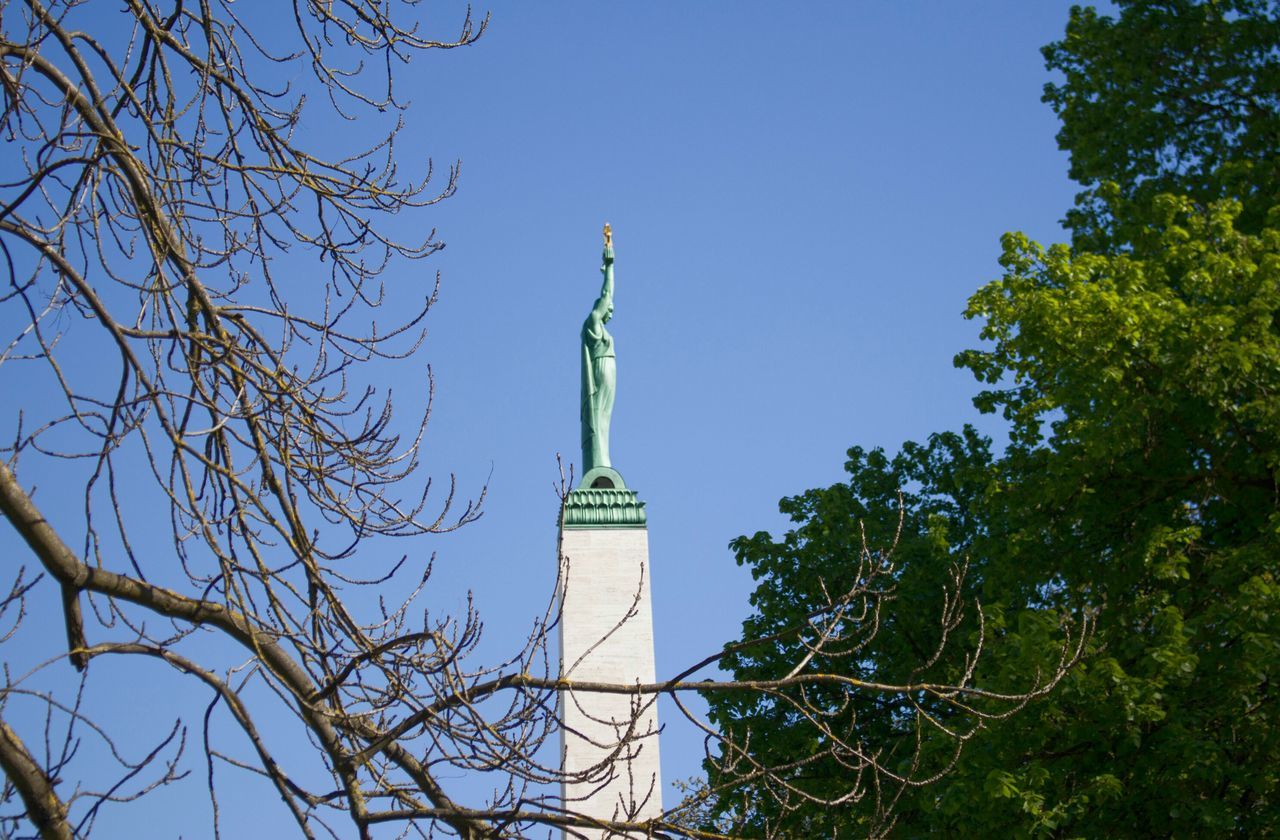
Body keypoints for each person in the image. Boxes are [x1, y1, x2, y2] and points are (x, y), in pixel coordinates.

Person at [581, 225, 616, 473]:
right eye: (608, 307)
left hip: (605, 365)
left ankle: (602, 457)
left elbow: (608, 298)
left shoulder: (594, 323)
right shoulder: (594, 319)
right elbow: (607, 294)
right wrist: (609, 268)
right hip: (603, 366)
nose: (611, 309)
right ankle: (601, 460)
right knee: (601, 416)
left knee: (605, 417)